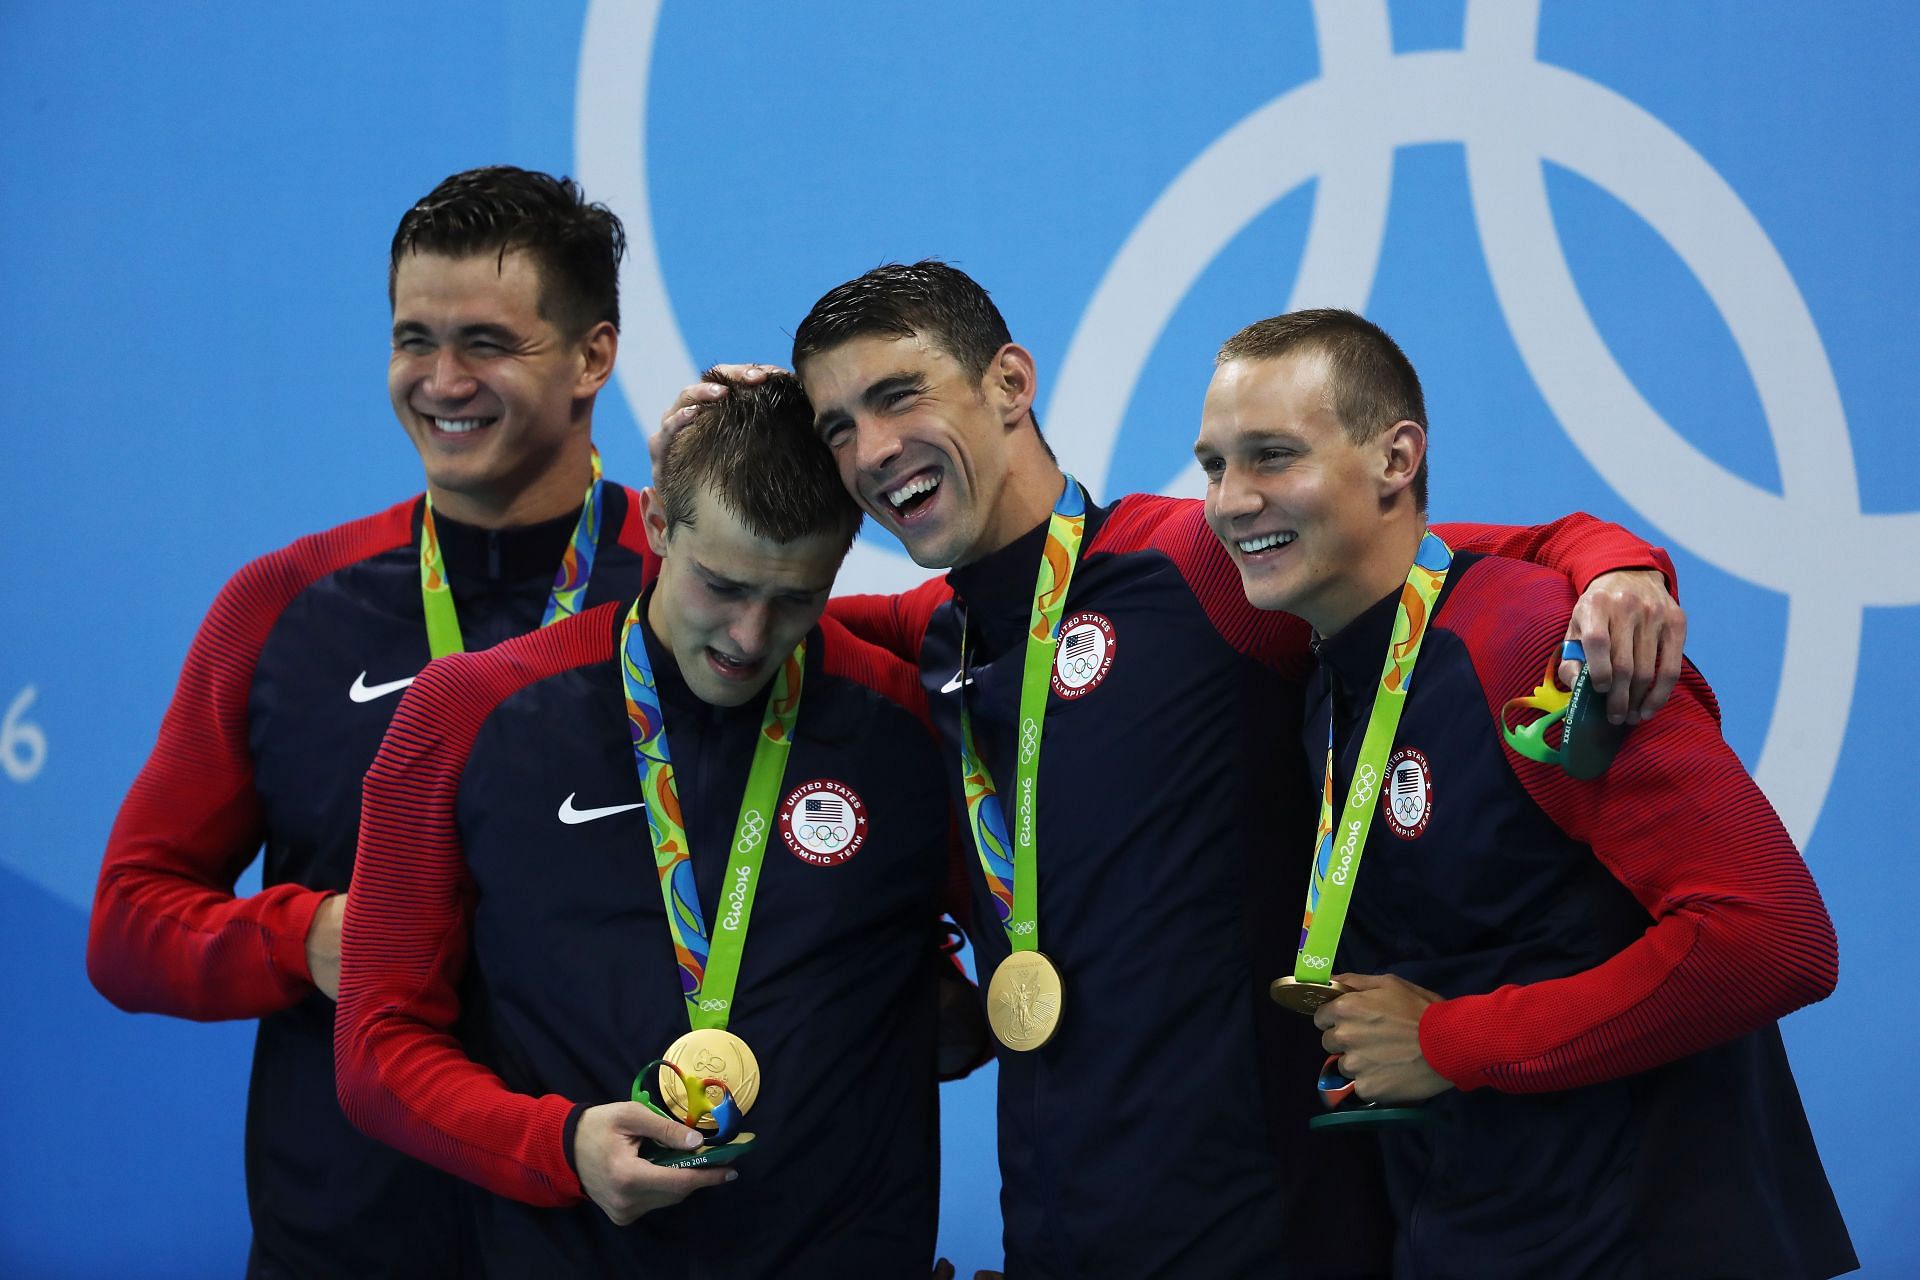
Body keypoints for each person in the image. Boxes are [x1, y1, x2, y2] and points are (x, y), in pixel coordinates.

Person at [663, 260, 1688, 1276]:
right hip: (1057, 1241)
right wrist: (704, 463)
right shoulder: (928, 637)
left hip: (1277, 1237)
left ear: (1011, 384)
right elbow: (702, 618)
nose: (872, 449)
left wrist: (1611, 558)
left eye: (897, 396)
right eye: (839, 426)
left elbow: (1421, 556)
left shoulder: (1201, 567)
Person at [1195, 308, 1855, 1278]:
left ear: (1395, 458)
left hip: (1642, 1241)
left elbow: (1772, 937)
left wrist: (1452, 1037)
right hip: (1477, 1229)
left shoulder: (1537, 648)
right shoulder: (1332, 635)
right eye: (1212, 464)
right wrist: (1602, 546)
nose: (1230, 501)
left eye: (1272, 455)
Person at [86, 165, 648, 1278]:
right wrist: (307, 937)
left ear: (593, 355)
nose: (442, 380)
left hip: (622, 1245)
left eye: (487, 341)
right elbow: (129, 924)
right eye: (413, 338)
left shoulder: (693, 600)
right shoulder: (283, 606)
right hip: (345, 1244)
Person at [335, 371, 970, 1277]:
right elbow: (375, 1048)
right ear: (658, 525)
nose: (749, 637)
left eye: (794, 597)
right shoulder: (465, 714)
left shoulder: (904, 721)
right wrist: (560, 1147)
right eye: (722, 584)